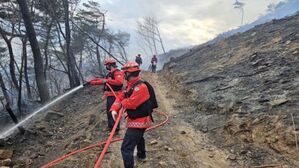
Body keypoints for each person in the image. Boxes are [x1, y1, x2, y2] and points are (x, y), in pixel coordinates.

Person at [110, 61, 156, 168]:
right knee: (139, 137)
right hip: (136, 119)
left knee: (126, 148)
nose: (123, 75)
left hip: (140, 121)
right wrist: (114, 108)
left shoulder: (140, 87)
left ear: (128, 74)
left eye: (124, 73)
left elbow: (131, 103)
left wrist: (122, 103)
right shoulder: (131, 85)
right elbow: (121, 95)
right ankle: (142, 155)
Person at [86, 58, 124, 133]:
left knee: (113, 111)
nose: (106, 66)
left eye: (106, 65)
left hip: (115, 95)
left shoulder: (117, 72)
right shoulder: (110, 73)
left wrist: (107, 80)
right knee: (109, 112)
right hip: (110, 95)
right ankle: (111, 126)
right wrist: (92, 82)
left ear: (110, 65)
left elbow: (119, 82)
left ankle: (115, 129)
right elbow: (103, 81)